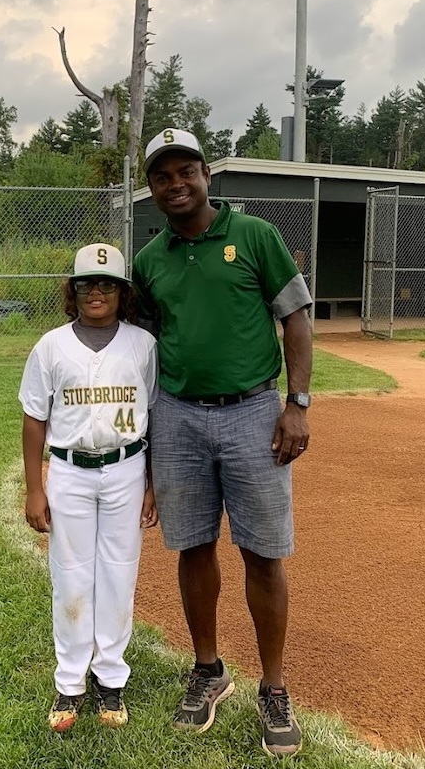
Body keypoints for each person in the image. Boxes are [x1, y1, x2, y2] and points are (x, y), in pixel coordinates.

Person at [131, 128, 313, 757]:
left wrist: (297, 403)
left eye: (186, 171)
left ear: (207, 175)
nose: (175, 184)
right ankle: (208, 672)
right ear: (150, 188)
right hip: (177, 416)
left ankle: (274, 687)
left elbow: (295, 317)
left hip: (253, 414)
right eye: (161, 176)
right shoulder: (149, 261)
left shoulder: (255, 236)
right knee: (192, 546)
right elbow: (145, 346)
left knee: (263, 554)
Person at [18, 243, 159, 732]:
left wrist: (151, 483)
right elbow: (35, 419)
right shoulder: (51, 346)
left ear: (123, 293)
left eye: (107, 284)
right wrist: (36, 489)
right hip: (70, 471)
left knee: (119, 574)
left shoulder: (142, 345)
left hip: (126, 466)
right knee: (72, 576)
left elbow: (155, 417)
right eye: (85, 284)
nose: (95, 292)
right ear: (71, 291)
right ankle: (70, 682)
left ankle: (112, 679)